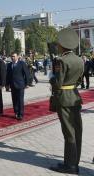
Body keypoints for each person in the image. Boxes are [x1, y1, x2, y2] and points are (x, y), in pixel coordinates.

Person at [48, 28, 84, 174]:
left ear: (62, 45)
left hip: (64, 99)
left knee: (69, 133)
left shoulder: (61, 61)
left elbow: (57, 83)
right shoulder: (79, 59)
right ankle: (74, 162)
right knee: (77, 131)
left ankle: (70, 166)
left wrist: (52, 77)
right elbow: (80, 80)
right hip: (75, 97)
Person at [6, 52, 30, 120]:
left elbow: (26, 73)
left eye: (14, 56)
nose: (12, 57)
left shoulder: (21, 63)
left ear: (17, 57)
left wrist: (27, 83)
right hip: (12, 85)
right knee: (14, 100)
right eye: (11, 56)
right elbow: (8, 75)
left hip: (20, 85)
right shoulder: (9, 65)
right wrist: (7, 85)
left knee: (20, 100)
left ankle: (21, 114)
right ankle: (16, 112)